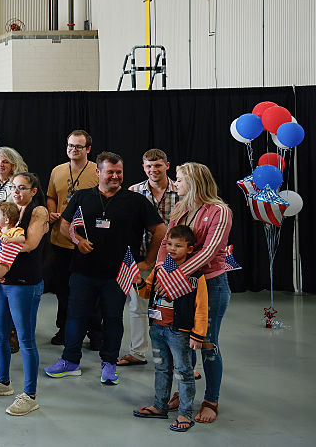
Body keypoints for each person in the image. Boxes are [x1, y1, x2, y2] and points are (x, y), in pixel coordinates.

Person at [46, 152, 163, 386]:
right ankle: (70, 361)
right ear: (98, 173)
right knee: (76, 317)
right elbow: (64, 226)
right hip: (82, 272)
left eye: (119, 172)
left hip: (117, 275)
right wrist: (78, 241)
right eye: (110, 172)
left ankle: (109, 364)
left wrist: (148, 262)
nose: (115, 176)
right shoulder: (82, 197)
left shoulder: (136, 201)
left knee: (112, 319)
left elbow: (160, 230)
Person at [158, 162, 232, 425]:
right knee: (181, 341)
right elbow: (168, 244)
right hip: (180, 286)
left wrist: (173, 277)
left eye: (179, 179)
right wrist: (161, 271)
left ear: (195, 182)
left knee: (207, 343)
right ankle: (186, 391)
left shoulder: (220, 211)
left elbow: (209, 251)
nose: (175, 183)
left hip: (210, 285)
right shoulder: (180, 209)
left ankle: (211, 400)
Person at [0, 172, 50, 416]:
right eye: (14, 187)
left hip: (24, 284)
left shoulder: (37, 212)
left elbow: (29, 244)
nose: (17, 192)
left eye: (22, 188)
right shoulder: (6, 212)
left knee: (26, 340)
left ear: (33, 191)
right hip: (2, 282)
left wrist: (2, 238)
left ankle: (30, 395)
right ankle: (3, 382)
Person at [132, 224, 208, 433]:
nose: (173, 249)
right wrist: (139, 283)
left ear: (190, 249)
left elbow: (201, 308)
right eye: (170, 244)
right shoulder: (159, 269)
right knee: (161, 368)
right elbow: (147, 293)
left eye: (179, 246)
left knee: (183, 371)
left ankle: (185, 413)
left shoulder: (194, 276)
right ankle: (159, 405)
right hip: (157, 329)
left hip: (180, 332)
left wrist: (198, 335)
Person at [121, 148, 181, 366]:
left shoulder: (181, 190)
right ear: (143, 167)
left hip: (173, 261)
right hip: (142, 258)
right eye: (148, 166)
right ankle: (137, 352)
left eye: (157, 165)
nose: (153, 170)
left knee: (171, 307)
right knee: (137, 306)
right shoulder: (133, 191)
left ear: (167, 165)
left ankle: (174, 355)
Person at [45, 129, 98, 346]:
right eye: (70, 146)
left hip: (87, 241)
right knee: (63, 290)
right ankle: (64, 330)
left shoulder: (97, 171)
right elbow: (51, 196)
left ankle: (95, 332)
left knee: (91, 290)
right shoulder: (57, 171)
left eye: (78, 146)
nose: (73, 150)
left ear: (88, 149)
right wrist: (51, 212)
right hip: (61, 241)